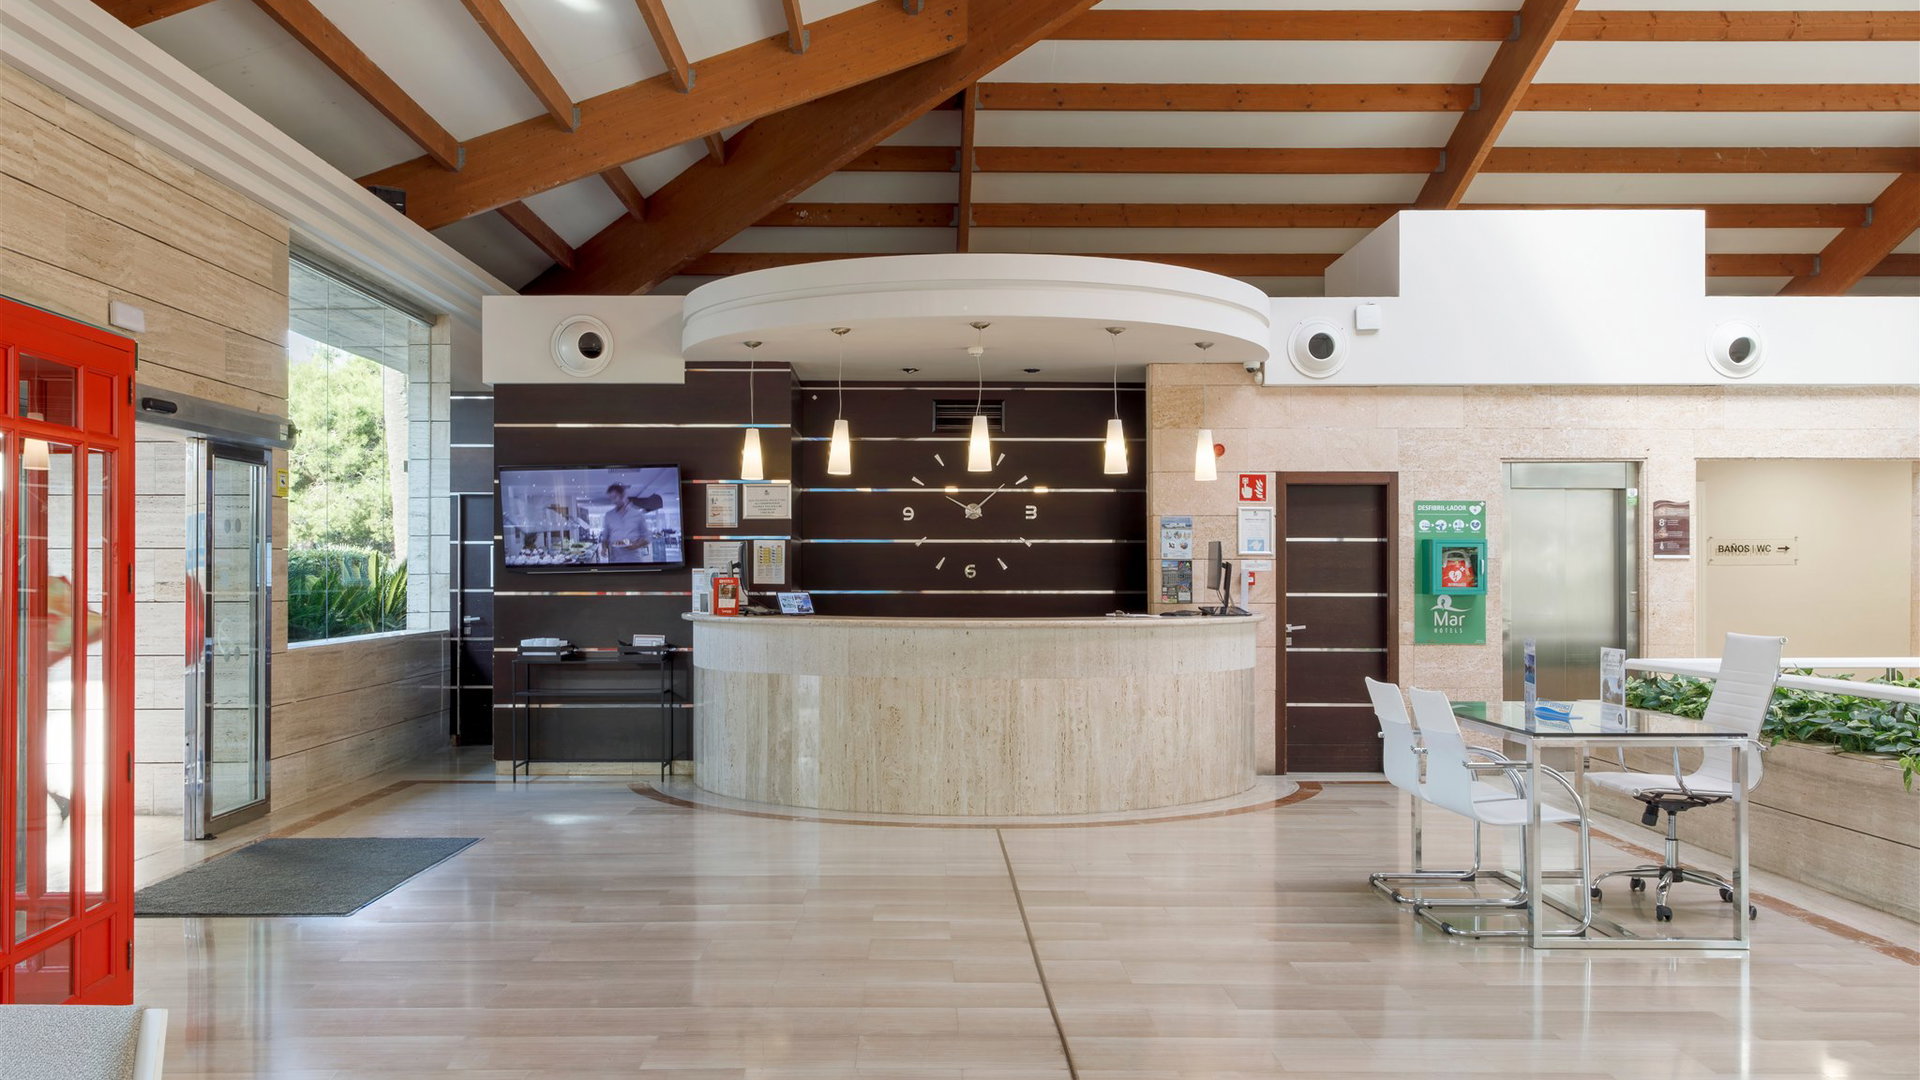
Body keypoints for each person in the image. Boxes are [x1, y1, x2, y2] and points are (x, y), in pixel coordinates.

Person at [601, 482, 653, 563]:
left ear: (623, 495)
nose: (613, 501)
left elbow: (647, 537)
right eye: (611, 498)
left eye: (615, 497)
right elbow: (605, 538)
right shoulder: (609, 515)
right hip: (615, 560)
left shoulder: (637, 514)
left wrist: (636, 545)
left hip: (633, 560)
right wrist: (604, 548)